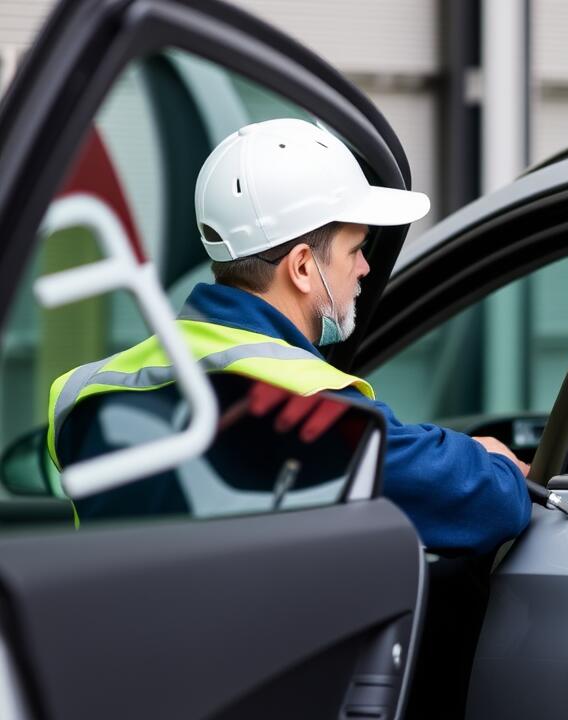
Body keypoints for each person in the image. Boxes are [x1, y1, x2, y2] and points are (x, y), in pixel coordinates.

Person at [46, 118, 531, 553]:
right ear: (302, 267)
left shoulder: (85, 393)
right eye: (356, 249)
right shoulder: (303, 407)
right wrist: (493, 460)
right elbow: (488, 504)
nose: (365, 268)